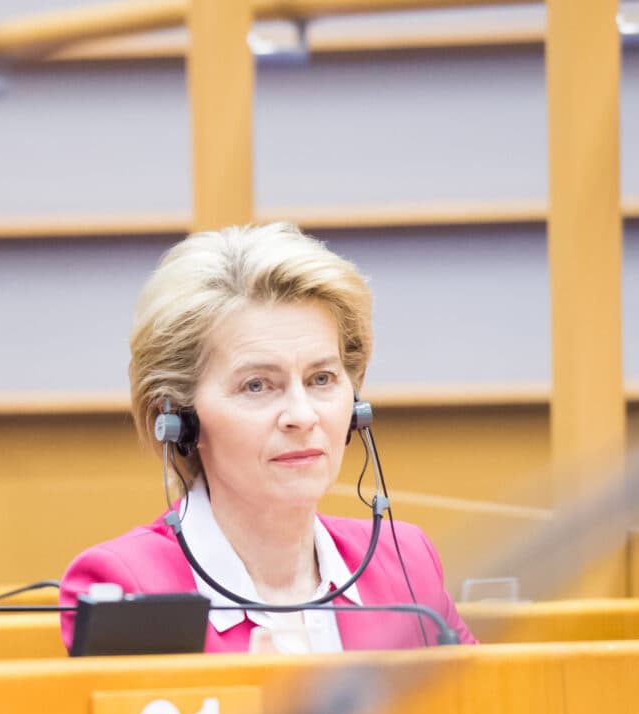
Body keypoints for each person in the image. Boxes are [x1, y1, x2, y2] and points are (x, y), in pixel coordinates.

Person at [60, 222, 474, 652]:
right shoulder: (129, 584)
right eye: (256, 385)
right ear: (180, 417)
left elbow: (482, 713)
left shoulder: (405, 561)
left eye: (322, 378)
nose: (301, 415)